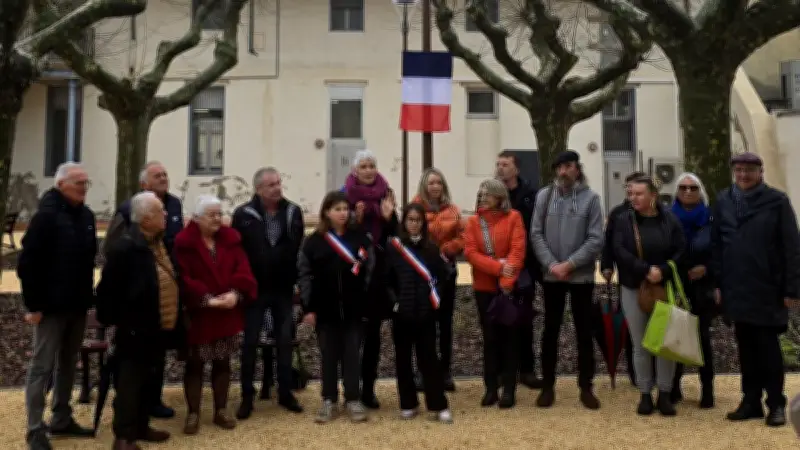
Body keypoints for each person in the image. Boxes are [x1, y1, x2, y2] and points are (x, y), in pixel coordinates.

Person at [711, 152, 800, 427]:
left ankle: (775, 404)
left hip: (768, 288)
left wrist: (792, 289)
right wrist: (717, 284)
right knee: (746, 349)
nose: (743, 175)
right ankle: (750, 401)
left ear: (760, 172)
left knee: (768, 349)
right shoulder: (724, 200)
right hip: (736, 286)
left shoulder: (777, 201)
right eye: (738, 169)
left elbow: (792, 248)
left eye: (749, 170)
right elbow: (717, 245)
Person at [18, 162, 97, 450]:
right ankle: (35, 429)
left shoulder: (86, 216)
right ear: (61, 184)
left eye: (86, 183)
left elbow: (88, 262)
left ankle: (62, 416)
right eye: (78, 183)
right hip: (49, 308)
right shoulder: (46, 217)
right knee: (42, 367)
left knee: (67, 364)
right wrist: (34, 305)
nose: (84, 189)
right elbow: (27, 265)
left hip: (76, 305)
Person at [103, 161, 184, 419]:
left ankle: (152, 403)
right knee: (133, 366)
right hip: (137, 302)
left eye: (165, 174)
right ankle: (127, 424)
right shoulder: (128, 214)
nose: (164, 178)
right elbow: (112, 252)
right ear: (143, 184)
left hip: (163, 291)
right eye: (157, 176)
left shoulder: (174, 205)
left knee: (156, 356)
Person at [96, 192, 175, 450]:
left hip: (156, 325)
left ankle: (141, 427)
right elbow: (107, 290)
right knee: (129, 382)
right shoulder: (126, 248)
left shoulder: (156, 242)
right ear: (146, 218)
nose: (166, 215)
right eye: (160, 211)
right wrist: (118, 322)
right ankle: (124, 437)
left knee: (148, 379)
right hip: (134, 328)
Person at [174, 195, 258, 435]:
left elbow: (243, 268)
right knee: (195, 365)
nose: (217, 219)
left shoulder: (230, 240)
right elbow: (182, 276)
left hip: (226, 312)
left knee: (223, 362)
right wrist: (205, 298)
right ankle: (193, 413)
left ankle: (220, 410)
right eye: (211, 214)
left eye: (220, 214)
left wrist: (235, 293)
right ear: (197, 218)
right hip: (200, 314)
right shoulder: (184, 244)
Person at [530, 150, 604, 410]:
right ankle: (548, 385)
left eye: (568, 166)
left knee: (584, 332)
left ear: (577, 168)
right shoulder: (544, 196)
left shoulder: (592, 199)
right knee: (550, 331)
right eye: (559, 167)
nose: (563, 172)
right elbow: (536, 234)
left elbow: (596, 238)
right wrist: (552, 265)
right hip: (552, 276)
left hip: (581, 277)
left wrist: (571, 264)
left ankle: (586, 386)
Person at [232, 167, 305, 418]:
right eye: (271, 185)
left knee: (284, 341)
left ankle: (285, 393)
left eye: (278, 182)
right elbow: (237, 253)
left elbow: (297, 247)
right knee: (250, 343)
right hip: (255, 290)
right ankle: (246, 397)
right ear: (259, 189)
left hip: (283, 289)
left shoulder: (293, 212)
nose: (277, 188)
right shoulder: (243, 215)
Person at [297, 191, 374, 423]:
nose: (342, 213)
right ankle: (328, 399)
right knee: (328, 355)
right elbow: (304, 275)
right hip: (325, 309)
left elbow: (369, 270)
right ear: (326, 212)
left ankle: (352, 398)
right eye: (337, 209)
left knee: (352, 354)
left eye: (345, 208)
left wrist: (364, 300)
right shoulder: (313, 242)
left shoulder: (360, 238)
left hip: (353, 309)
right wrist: (308, 308)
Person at [612, 175, 685, 416]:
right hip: (634, 287)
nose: (633, 198)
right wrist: (645, 270)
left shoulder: (670, 220)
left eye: (639, 193)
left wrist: (662, 270)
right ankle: (644, 392)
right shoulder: (624, 220)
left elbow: (681, 250)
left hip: (663, 289)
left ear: (653, 195)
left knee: (665, 343)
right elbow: (619, 250)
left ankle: (664, 393)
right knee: (640, 343)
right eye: (630, 193)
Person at [386, 203, 453, 423]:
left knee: (429, 360)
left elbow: (441, 278)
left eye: (418, 220)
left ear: (423, 223)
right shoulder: (394, 248)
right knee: (403, 360)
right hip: (402, 313)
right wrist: (395, 303)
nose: (414, 224)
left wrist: (435, 301)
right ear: (404, 222)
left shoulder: (432, 249)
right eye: (410, 220)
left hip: (425, 314)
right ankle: (408, 403)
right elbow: (386, 281)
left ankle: (438, 404)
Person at [463, 179, 526, 409]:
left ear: (500, 196)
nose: (482, 196)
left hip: (508, 289)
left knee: (510, 339)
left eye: (487, 193)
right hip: (484, 289)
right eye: (480, 192)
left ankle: (509, 389)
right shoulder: (472, 222)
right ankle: (490, 387)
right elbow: (470, 253)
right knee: (489, 340)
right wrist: (499, 268)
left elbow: (517, 251)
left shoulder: (514, 218)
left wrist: (507, 282)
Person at [342, 150, 397, 409]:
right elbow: (338, 232)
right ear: (355, 171)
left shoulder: (386, 192)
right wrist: (356, 220)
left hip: (378, 275)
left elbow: (395, 233)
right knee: (352, 338)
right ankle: (350, 390)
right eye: (363, 166)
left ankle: (369, 390)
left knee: (374, 338)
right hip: (353, 275)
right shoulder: (346, 194)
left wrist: (388, 218)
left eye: (372, 165)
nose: (368, 170)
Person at [411, 168, 463, 392]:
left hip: (447, 273)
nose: (435, 187)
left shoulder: (453, 210)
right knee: (424, 324)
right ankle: (424, 371)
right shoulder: (415, 209)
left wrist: (449, 249)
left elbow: (463, 236)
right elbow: (410, 235)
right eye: (431, 183)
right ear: (424, 185)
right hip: (423, 273)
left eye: (439, 183)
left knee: (445, 324)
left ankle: (445, 372)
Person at [495, 151, 543, 389]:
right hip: (498, 267)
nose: (500, 168)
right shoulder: (491, 193)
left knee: (524, 319)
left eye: (505, 164)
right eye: (498, 164)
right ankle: (504, 370)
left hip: (525, 267)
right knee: (501, 319)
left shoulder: (530, 195)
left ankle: (527, 369)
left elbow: (535, 229)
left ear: (516, 169)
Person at [670, 172, 716, 409]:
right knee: (676, 335)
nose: (688, 192)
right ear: (677, 191)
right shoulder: (667, 217)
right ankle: (674, 387)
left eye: (693, 188)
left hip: (702, 286)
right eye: (683, 187)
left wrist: (706, 268)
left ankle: (707, 388)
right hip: (675, 284)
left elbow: (722, 250)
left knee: (702, 338)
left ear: (701, 191)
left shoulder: (711, 218)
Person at [600, 171, 645, 387]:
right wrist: (606, 265)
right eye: (628, 187)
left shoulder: (656, 213)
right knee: (629, 323)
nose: (631, 192)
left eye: (636, 188)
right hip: (626, 276)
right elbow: (608, 243)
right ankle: (635, 371)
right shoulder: (617, 213)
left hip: (652, 276)